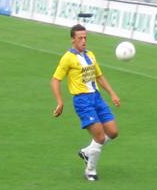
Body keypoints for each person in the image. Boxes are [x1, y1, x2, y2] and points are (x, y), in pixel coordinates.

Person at [51, 24, 120, 181]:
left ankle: (88, 151)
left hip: (96, 97)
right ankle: (90, 171)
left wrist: (112, 94)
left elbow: (99, 76)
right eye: (80, 38)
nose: (83, 41)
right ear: (73, 40)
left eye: (85, 38)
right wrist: (60, 102)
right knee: (100, 137)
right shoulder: (68, 58)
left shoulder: (91, 55)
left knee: (113, 132)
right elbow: (55, 80)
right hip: (82, 100)